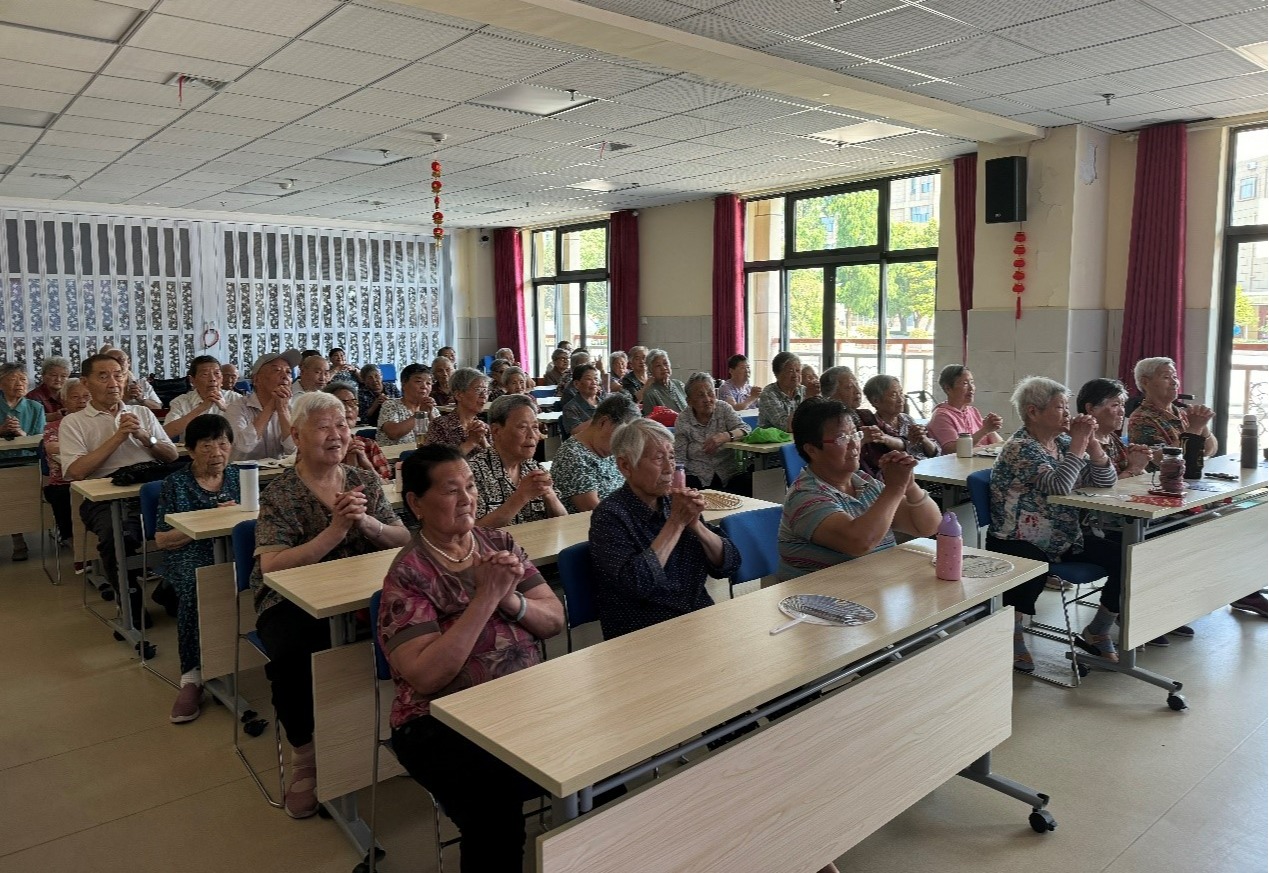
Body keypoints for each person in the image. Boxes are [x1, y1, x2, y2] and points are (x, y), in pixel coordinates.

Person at [379, 444, 564, 872]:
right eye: (451, 491)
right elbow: (426, 676)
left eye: (471, 486)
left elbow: (553, 619)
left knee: (599, 769)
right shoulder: (408, 573)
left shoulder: (498, 542)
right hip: (438, 720)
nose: (467, 499)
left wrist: (510, 600)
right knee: (494, 813)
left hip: (522, 699)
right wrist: (486, 598)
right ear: (416, 504)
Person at [250, 391, 410, 819]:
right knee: (293, 654)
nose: (336, 435)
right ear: (296, 435)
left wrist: (369, 523)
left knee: (418, 630)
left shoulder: (363, 480)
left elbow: (402, 538)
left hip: (360, 592)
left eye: (341, 425)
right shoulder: (281, 492)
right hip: (290, 600)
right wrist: (335, 531)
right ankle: (304, 756)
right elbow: (272, 566)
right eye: (323, 427)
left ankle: (402, 728)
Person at [988, 376, 1119, 673]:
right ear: (1033, 412)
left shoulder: (1062, 443)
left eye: (1066, 406)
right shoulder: (1020, 447)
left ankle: (1098, 630)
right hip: (1018, 539)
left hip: (1064, 536)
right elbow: (1059, 486)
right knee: (1031, 569)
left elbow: (1105, 481)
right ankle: (1011, 634)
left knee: (1125, 558)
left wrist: (1092, 443)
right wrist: (1079, 444)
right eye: (1060, 407)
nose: (1068, 413)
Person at [1126, 356, 1266, 618]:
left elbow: (1211, 448)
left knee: (1247, 516)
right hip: (1167, 497)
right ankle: (1236, 592)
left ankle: (1246, 587)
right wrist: (1195, 429)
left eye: (1175, 376)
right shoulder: (1141, 418)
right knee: (1218, 525)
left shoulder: (1180, 412)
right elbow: (1165, 460)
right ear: (1145, 382)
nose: (1174, 382)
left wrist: (1200, 429)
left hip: (1195, 490)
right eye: (1166, 377)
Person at [588, 417, 740, 639]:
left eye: (671, 457)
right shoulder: (609, 516)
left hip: (697, 616)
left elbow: (729, 564)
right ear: (625, 466)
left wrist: (696, 525)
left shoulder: (674, 502)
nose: (670, 469)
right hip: (643, 631)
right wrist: (675, 523)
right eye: (659, 459)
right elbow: (637, 584)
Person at [61, 353, 179, 619]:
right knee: (117, 538)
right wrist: (118, 437)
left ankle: (169, 588)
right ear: (85, 382)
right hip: (105, 499)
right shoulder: (74, 422)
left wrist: (144, 436)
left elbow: (171, 455)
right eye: (103, 376)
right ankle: (129, 601)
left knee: (195, 528)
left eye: (118, 375)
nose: (113, 383)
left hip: (153, 490)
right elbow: (76, 472)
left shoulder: (142, 413)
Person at [778, 398, 941, 580]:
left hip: (872, 586)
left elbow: (928, 526)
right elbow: (859, 542)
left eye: (855, 434)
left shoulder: (863, 482)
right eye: (842, 438)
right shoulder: (804, 496)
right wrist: (895, 488)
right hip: (820, 594)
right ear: (812, 450)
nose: (854, 444)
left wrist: (910, 486)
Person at [154, 414, 241, 724]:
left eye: (223, 444)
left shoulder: (240, 477)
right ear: (190, 450)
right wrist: (209, 519)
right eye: (206, 446)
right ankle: (192, 676)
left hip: (234, 549)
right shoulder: (175, 484)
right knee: (198, 585)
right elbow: (162, 539)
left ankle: (245, 651)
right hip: (189, 551)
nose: (217, 452)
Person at [471, 394, 566, 526]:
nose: (532, 435)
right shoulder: (474, 473)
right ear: (496, 431)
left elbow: (563, 522)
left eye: (535, 427)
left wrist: (549, 494)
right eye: (522, 427)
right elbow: (474, 532)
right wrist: (522, 496)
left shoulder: (534, 468)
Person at [552, 394, 640, 512]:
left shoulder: (609, 449)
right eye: (622, 434)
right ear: (603, 422)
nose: (625, 441)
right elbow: (596, 511)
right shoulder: (573, 457)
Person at [675, 372, 751, 494]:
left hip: (728, 474)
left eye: (710, 393)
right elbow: (679, 458)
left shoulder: (723, 408)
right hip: (697, 477)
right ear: (689, 401)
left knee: (751, 483)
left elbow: (745, 429)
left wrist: (726, 436)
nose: (707, 399)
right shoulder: (683, 419)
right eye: (700, 395)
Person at [0, 363, 46, 560]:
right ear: (1, 384)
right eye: (13, 379)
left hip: (28, 463)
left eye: (23, 380)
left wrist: (21, 434)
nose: (19, 384)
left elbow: (41, 442)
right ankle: (16, 537)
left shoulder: (36, 408)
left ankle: (20, 535)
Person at [40, 377, 91, 550]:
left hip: (95, 478)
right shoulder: (54, 426)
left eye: (86, 396)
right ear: (64, 400)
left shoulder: (97, 423)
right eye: (75, 397)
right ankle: (71, 539)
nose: (82, 401)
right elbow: (52, 447)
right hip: (64, 482)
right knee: (63, 494)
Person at [857, 374, 938, 477]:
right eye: (894, 395)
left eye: (901, 393)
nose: (901, 399)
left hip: (927, 472)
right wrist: (910, 444)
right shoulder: (873, 427)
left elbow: (935, 452)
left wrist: (924, 439)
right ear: (876, 401)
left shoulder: (906, 419)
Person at [226, 350, 301, 461]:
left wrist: (283, 410)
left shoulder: (293, 408)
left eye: (289, 372)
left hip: (279, 470)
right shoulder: (237, 407)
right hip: (243, 470)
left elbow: (296, 451)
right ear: (256, 379)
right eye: (276, 370)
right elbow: (242, 448)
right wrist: (269, 408)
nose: (285, 376)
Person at [926, 364, 1004, 454]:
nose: (971, 388)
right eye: (965, 383)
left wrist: (991, 428)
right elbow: (952, 450)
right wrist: (985, 430)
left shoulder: (972, 411)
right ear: (948, 389)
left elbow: (1000, 445)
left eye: (972, 382)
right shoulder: (941, 415)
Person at [163, 355, 242, 440]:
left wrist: (226, 408)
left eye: (217, 373)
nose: (213, 379)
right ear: (192, 380)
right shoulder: (181, 402)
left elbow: (249, 429)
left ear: (222, 377)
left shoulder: (235, 398)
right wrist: (201, 408)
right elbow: (166, 433)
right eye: (205, 374)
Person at [328, 384, 390, 480]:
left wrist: (368, 466)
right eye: (341, 404)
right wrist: (350, 465)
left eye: (353, 403)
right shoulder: (322, 448)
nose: (348, 409)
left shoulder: (369, 445)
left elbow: (387, 484)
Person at [426, 368, 491, 457]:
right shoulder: (440, 425)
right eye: (478, 390)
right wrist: (471, 442)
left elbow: (497, 463)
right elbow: (438, 463)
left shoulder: (483, 427)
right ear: (459, 395)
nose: (484, 396)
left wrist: (484, 441)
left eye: (486, 391)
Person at [377, 364, 437, 447]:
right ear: (404, 384)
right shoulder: (390, 405)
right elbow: (393, 433)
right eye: (418, 381)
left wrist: (430, 414)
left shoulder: (431, 408)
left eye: (428, 383)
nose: (424, 386)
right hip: (395, 454)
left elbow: (442, 436)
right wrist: (421, 413)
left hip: (423, 453)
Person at [101, 345, 162, 411]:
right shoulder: (99, 385)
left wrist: (142, 399)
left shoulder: (142, 383)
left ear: (128, 362)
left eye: (121, 359)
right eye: (112, 360)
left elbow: (158, 408)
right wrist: (125, 399)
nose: (117, 363)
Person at [757, 351, 803, 431]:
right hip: (773, 438)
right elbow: (786, 426)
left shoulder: (804, 390)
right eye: (790, 371)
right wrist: (809, 398)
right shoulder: (768, 394)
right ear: (777, 374)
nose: (795, 375)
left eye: (798, 370)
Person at [639, 349, 688, 416]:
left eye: (665, 363)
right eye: (658, 366)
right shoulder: (650, 394)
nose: (663, 368)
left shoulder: (679, 384)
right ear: (651, 370)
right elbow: (650, 420)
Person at [560, 363, 602, 437]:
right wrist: (601, 418)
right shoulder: (571, 408)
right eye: (589, 379)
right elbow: (575, 432)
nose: (594, 382)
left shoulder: (605, 402)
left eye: (596, 379)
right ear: (577, 384)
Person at [27, 356, 70, 422]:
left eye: (63, 376)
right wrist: (50, 417)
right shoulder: (33, 397)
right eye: (54, 375)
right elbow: (29, 420)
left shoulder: (71, 395)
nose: (58, 379)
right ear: (43, 376)